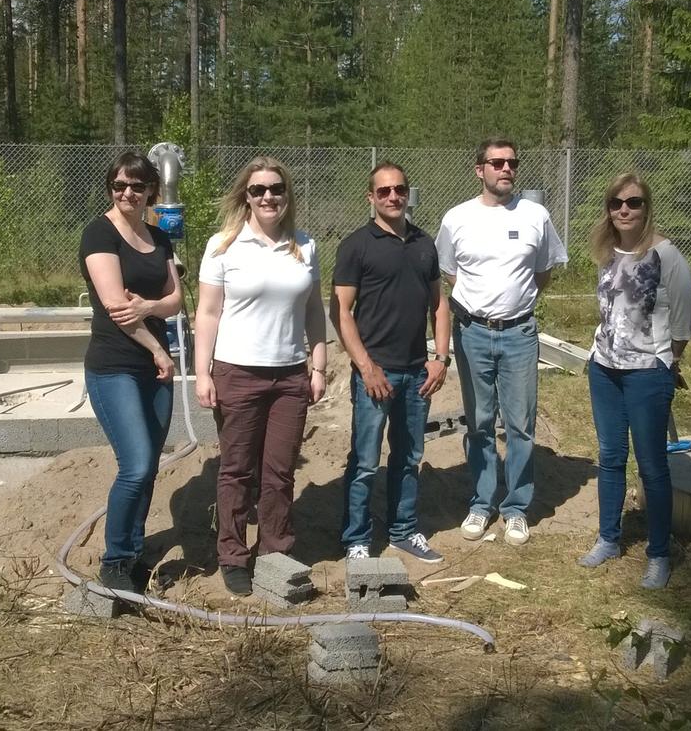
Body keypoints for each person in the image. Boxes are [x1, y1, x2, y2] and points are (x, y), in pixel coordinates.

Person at [194, 157, 327, 596]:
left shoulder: (304, 246)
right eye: (258, 190)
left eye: (276, 189)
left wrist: (319, 364)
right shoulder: (223, 245)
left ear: (287, 194)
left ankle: (274, 551)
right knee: (236, 471)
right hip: (237, 373)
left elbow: (313, 311)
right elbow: (208, 314)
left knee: (280, 471)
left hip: (290, 376)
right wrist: (202, 373)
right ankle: (232, 554)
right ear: (246, 196)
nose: (268, 196)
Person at [435, 138, 568, 546]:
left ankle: (515, 508)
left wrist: (515, 306)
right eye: (497, 163)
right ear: (480, 169)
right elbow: (450, 275)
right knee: (478, 422)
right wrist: (484, 308)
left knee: (520, 424)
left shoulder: (536, 215)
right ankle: (481, 502)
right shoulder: (457, 218)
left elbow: (543, 272)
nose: (506, 169)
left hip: (520, 334)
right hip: (472, 332)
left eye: (511, 162)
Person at [577, 173, 691, 589]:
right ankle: (608, 538)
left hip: (648, 374)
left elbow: (684, 319)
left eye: (634, 202)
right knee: (610, 457)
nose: (624, 210)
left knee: (651, 466)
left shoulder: (666, 255)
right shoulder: (607, 253)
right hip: (604, 370)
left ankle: (659, 554)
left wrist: (669, 359)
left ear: (647, 207)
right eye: (616, 203)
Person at [331, 162, 450, 563]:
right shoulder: (356, 246)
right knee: (365, 461)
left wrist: (440, 358)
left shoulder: (423, 244)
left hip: (417, 371)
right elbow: (342, 313)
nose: (393, 197)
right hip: (374, 374)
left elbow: (439, 304)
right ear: (371, 197)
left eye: (399, 189)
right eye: (384, 191)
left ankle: (403, 530)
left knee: (409, 456)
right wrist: (366, 366)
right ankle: (357, 539)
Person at [79, 151, 183, 593]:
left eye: (137, 187)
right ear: (111, 189)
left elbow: (176, 300)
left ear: (150, 192)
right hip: (115, 367)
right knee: (136, 465)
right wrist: (159, 349)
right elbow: (118, 309)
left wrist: (150, 306)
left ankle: (135, 553)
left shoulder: (160, 238)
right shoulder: (99, 233)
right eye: (119, 185)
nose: (127, 193)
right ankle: (116, 561)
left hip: (152, 371)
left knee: (150, 467)